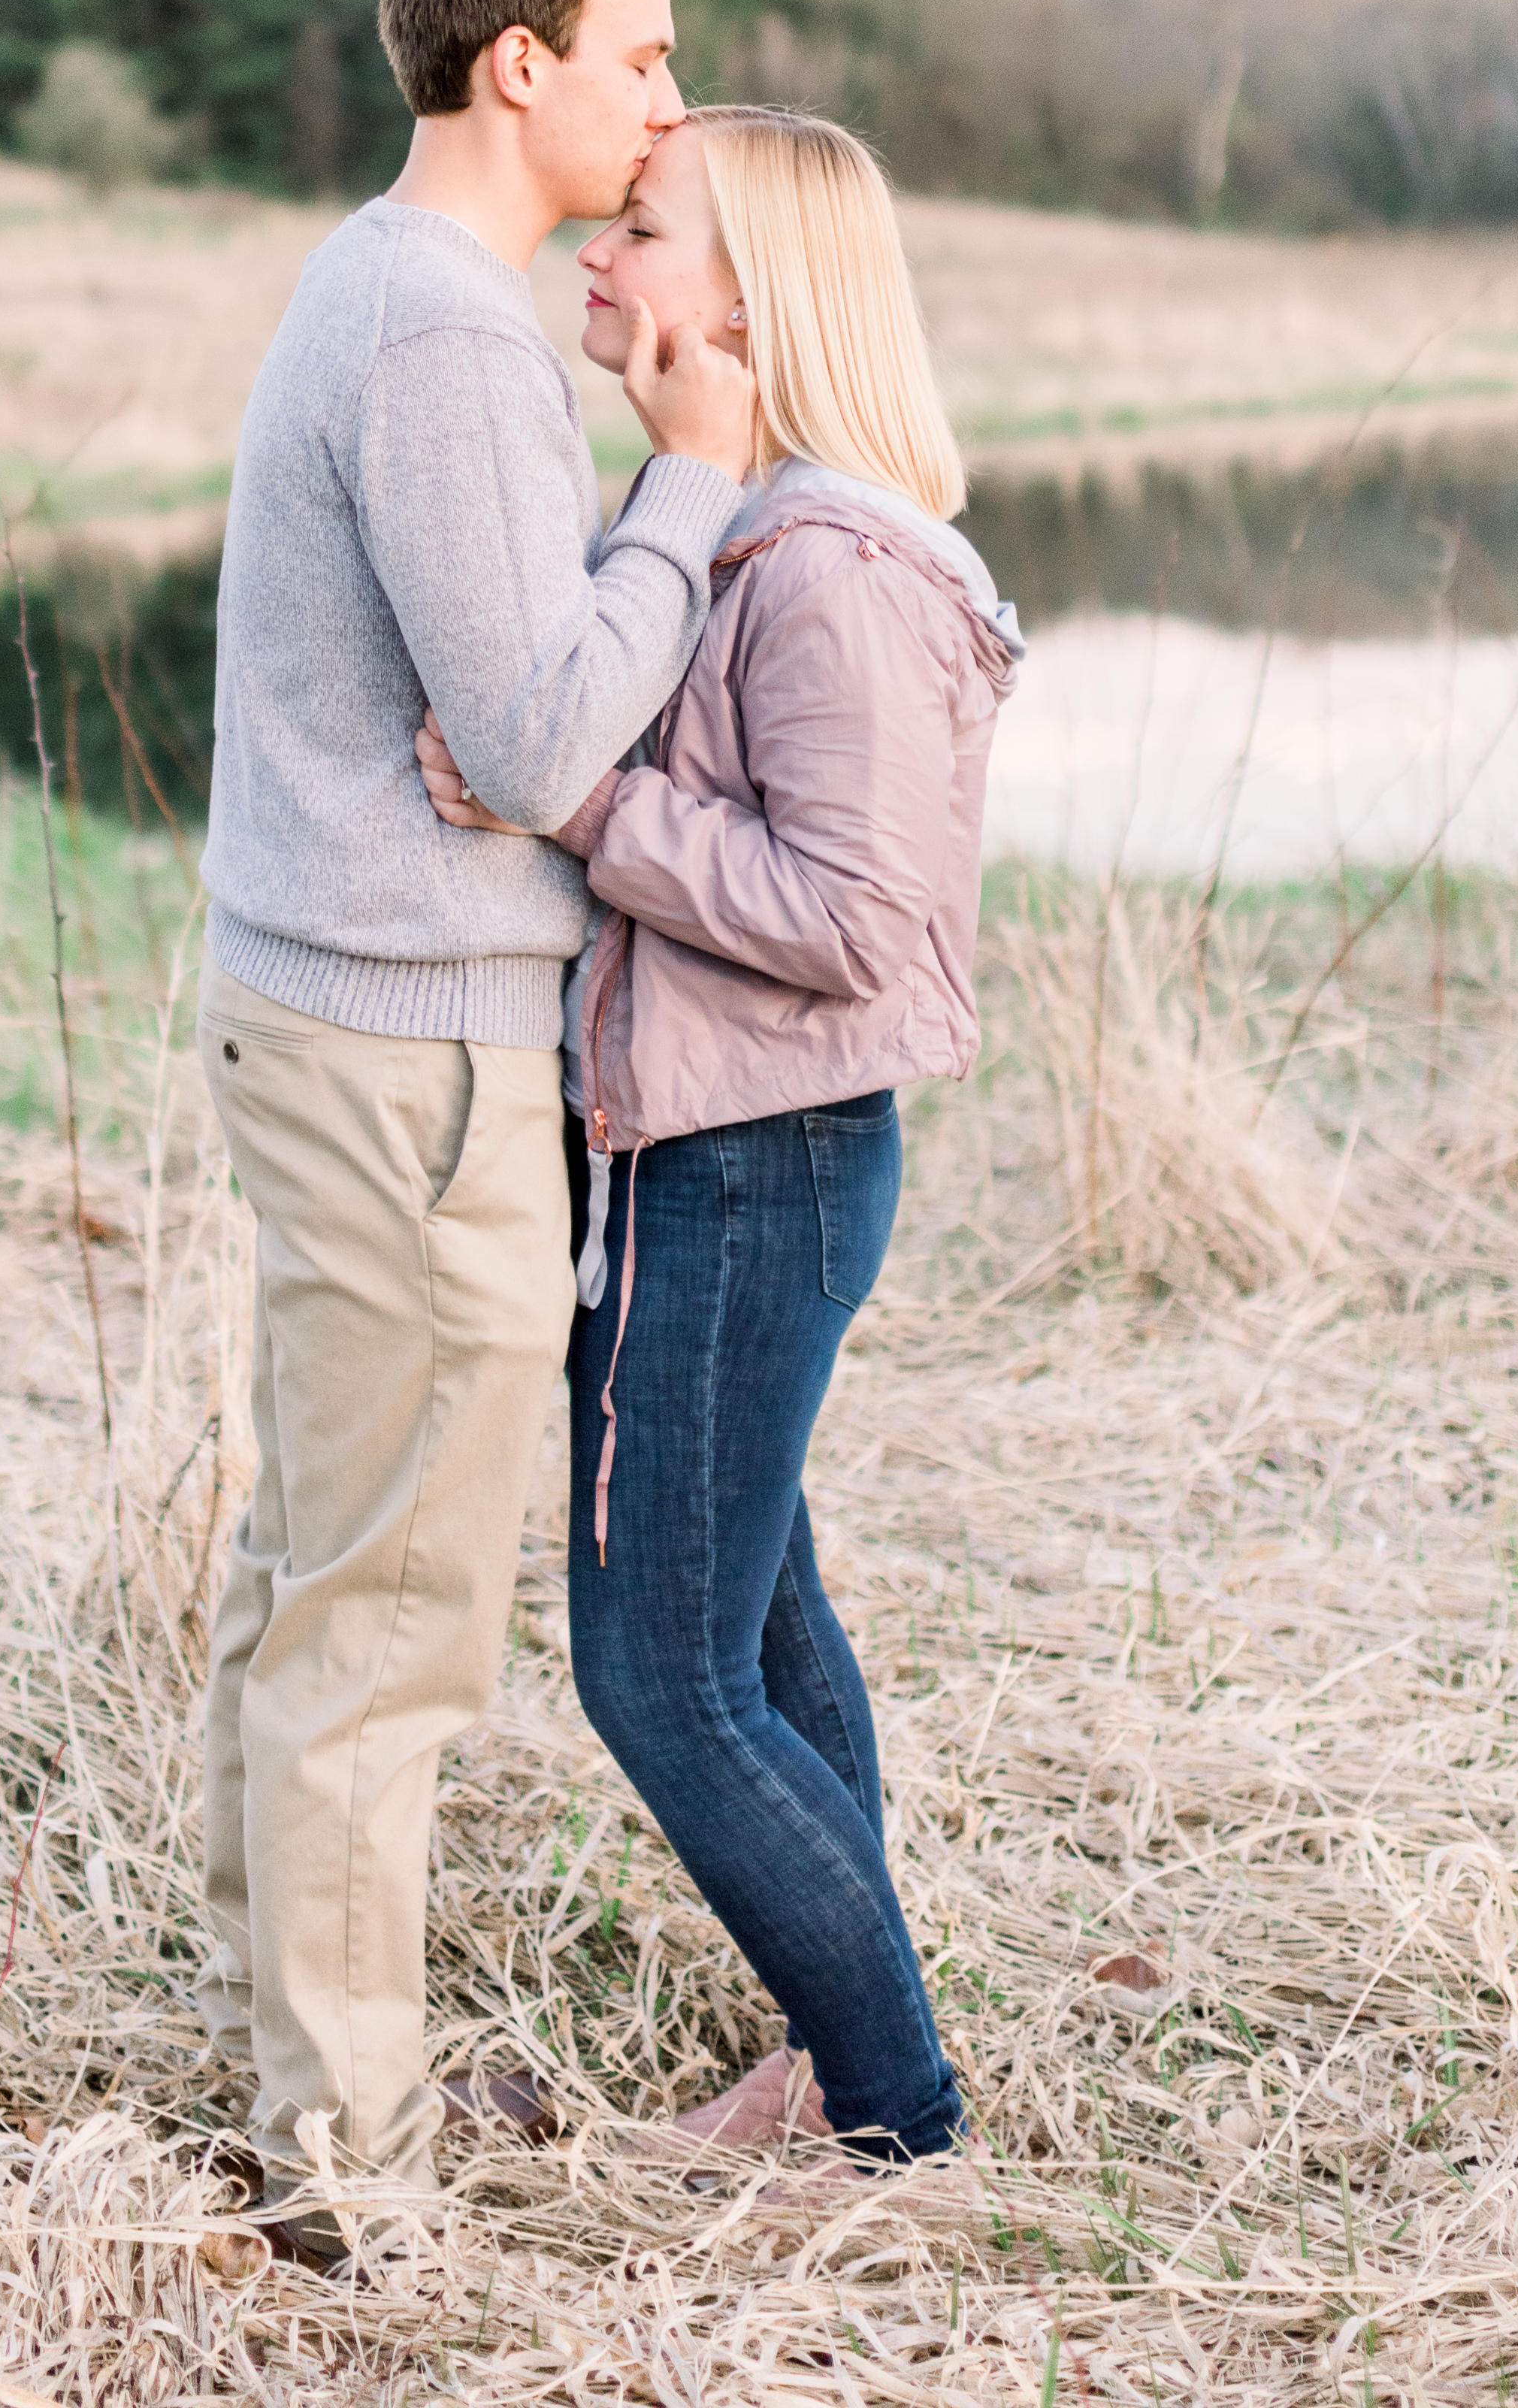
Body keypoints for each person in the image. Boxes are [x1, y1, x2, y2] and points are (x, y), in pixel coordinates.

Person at [194, 0, 758, 2253]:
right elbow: (532, 737)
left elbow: (508, 717)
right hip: (405, 1054)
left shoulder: (399, 291)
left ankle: (298, 2078)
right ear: (513, 63)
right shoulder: (438, 332)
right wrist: (699, 484)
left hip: (358, 1021)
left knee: (313, 1576)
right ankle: (350, 2173)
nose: (663, 101)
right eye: (637, 56)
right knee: (385, 1626)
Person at [418, 105, 1021, 2169]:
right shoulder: (750, 525)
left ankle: (891, 2119)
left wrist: (571, 800)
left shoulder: (831, 565)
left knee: (660, 1677)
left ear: (751, 303)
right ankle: (840, 2064)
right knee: (755, 1622)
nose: (597, 252)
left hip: (748, 1165)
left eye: (647, 233)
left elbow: (858, 919)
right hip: (729, 1154)